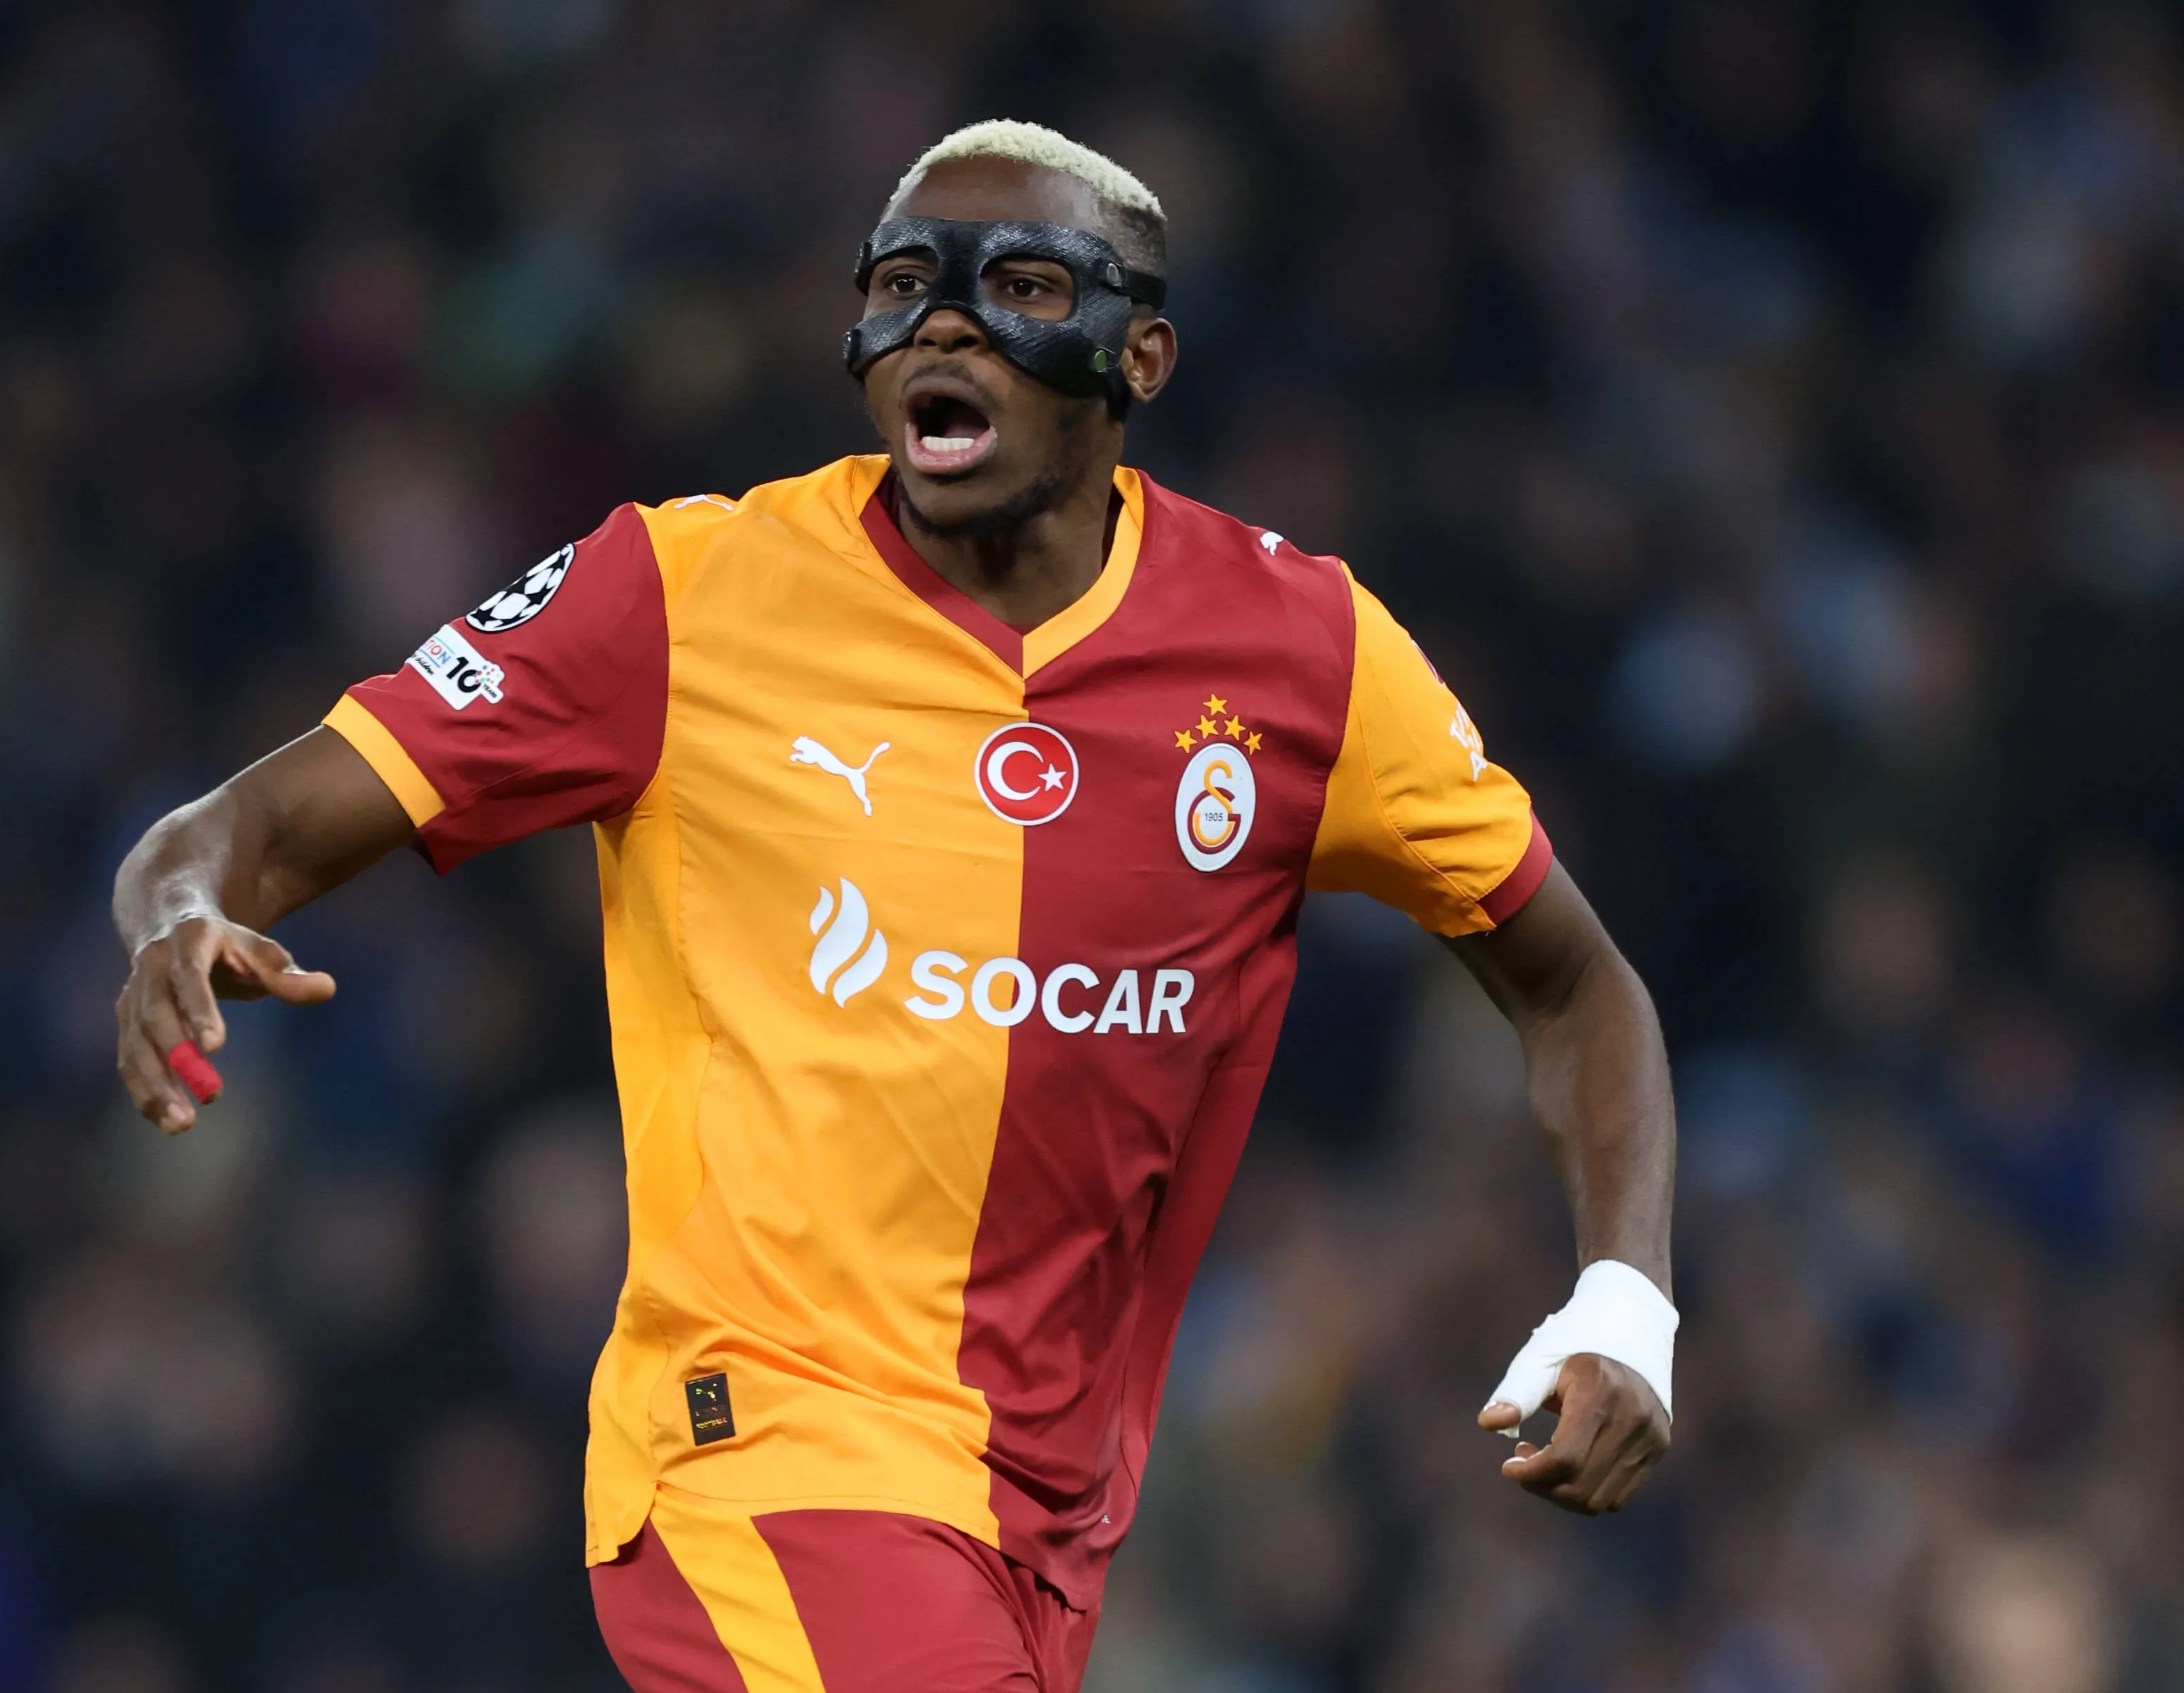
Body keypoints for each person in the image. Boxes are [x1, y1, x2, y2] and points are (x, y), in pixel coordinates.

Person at [111, 120, 1676, 1692]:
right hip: (760, 1456)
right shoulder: (679, 595)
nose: (945, 322)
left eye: (1016, 285)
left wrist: (1624, 1301)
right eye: (905, 284)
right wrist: (178, 905)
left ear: (1137, 356)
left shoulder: (1304, 654)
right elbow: (249, 819)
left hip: (1042, 1523)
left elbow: (1573, 986)